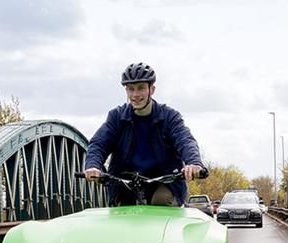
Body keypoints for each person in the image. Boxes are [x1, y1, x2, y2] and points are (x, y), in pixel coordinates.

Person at [83, 62, 206, 206]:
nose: (135, 95)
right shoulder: (116, 117)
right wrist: (93, 166)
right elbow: (99, 144)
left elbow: (185, 140)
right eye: (130, 89)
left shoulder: (169, 117)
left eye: (141, 88)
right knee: (121, 214)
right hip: (125, 183)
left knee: (161, 201)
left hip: (165, 182)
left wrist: (193, 163)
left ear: (152, 89)